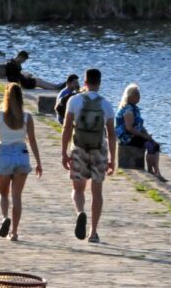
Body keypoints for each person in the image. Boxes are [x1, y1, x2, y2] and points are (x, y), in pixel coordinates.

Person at [61, 68, 116, 243]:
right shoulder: (106, 104)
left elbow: (67, 127)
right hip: (99, 150)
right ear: (99, 83)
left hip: (79, 148)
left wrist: (64, 152)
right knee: (97, 192)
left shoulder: (74, 101)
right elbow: (112, 134)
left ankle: (80, 212)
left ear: (85, 82)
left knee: (78, 189)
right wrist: (112, 159)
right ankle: (93, 233)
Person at [0, 83, 43, 241]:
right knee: (17, 196)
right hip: (22, 154)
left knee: (3, 194)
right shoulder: (27, 117)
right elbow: (32, 141)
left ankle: (5, 217)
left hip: (4, 153)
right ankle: (15, 232)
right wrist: (38, 162)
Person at [114, 84, 166, 182]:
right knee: (151, 146)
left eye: (139, 94)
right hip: (127, 138)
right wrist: (144, 136)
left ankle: (156, 171)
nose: (139, 97)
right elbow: (129, 128)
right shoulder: (128, 109)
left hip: (135, 135)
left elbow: (139, 125)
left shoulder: (135, 108)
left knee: (155, 145)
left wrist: (147, 135)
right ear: (130, 96)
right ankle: (152, 171)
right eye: (136, 94)